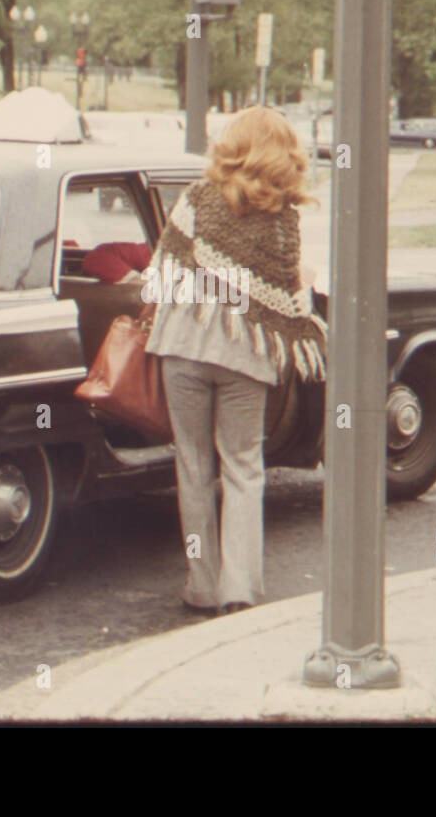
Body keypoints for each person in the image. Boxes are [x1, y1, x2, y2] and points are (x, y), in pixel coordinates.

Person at [144, 107, 326, 617]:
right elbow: (289, 301)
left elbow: (161, 272)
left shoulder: (197, 199)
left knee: (193, 467)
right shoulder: (283, 223)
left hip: (182, 345)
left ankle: (200, 585)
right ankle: (238, 588)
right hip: (247, 356)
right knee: (245, 468)